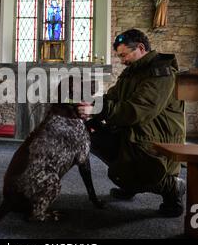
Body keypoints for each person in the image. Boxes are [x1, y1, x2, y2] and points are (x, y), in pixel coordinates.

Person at [77, 29, 186, 217]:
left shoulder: (162, 73)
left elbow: (138, 110)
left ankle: (172, 188)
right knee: (88, 132)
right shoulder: (131, 73)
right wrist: (91, 105)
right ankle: (131, 179)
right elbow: (112, 97)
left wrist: (98, 109)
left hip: (157, 139)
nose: (122, 60)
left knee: (125, 167)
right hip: (137, 131)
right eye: (120, 56)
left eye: (124, 55)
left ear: (141, 48)